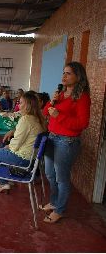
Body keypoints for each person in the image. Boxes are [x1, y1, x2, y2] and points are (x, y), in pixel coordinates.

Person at [41, 61, 91, 223]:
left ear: (78, 76)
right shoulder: (60, 94)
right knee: (49, 173)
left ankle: (60, 209)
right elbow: (44, 112)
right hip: (52, 137)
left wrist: (59, 116)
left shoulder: (82, 97)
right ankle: (54, 202)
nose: (64, 76)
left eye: (68, 73)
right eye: (63, 72)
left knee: (61, 178)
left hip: (66, 142)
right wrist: (52, 101)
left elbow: (82, 124)